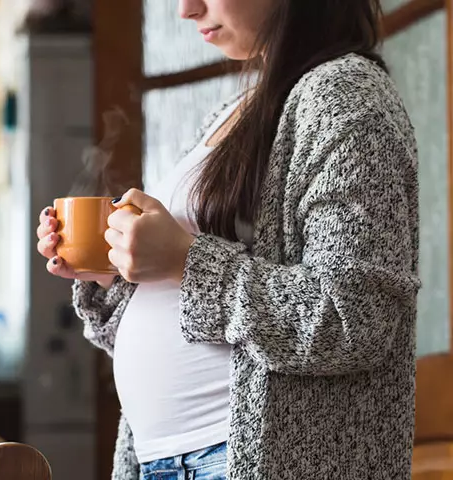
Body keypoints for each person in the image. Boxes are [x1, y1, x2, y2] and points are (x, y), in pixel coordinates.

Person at [36, 0, 420, 478]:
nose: (186, 10)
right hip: (166, 460)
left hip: (238, 461)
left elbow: (355, 318)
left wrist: (184, 260)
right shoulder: (235, 110)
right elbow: (198, 315)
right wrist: (114, 277)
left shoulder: (345, 94)